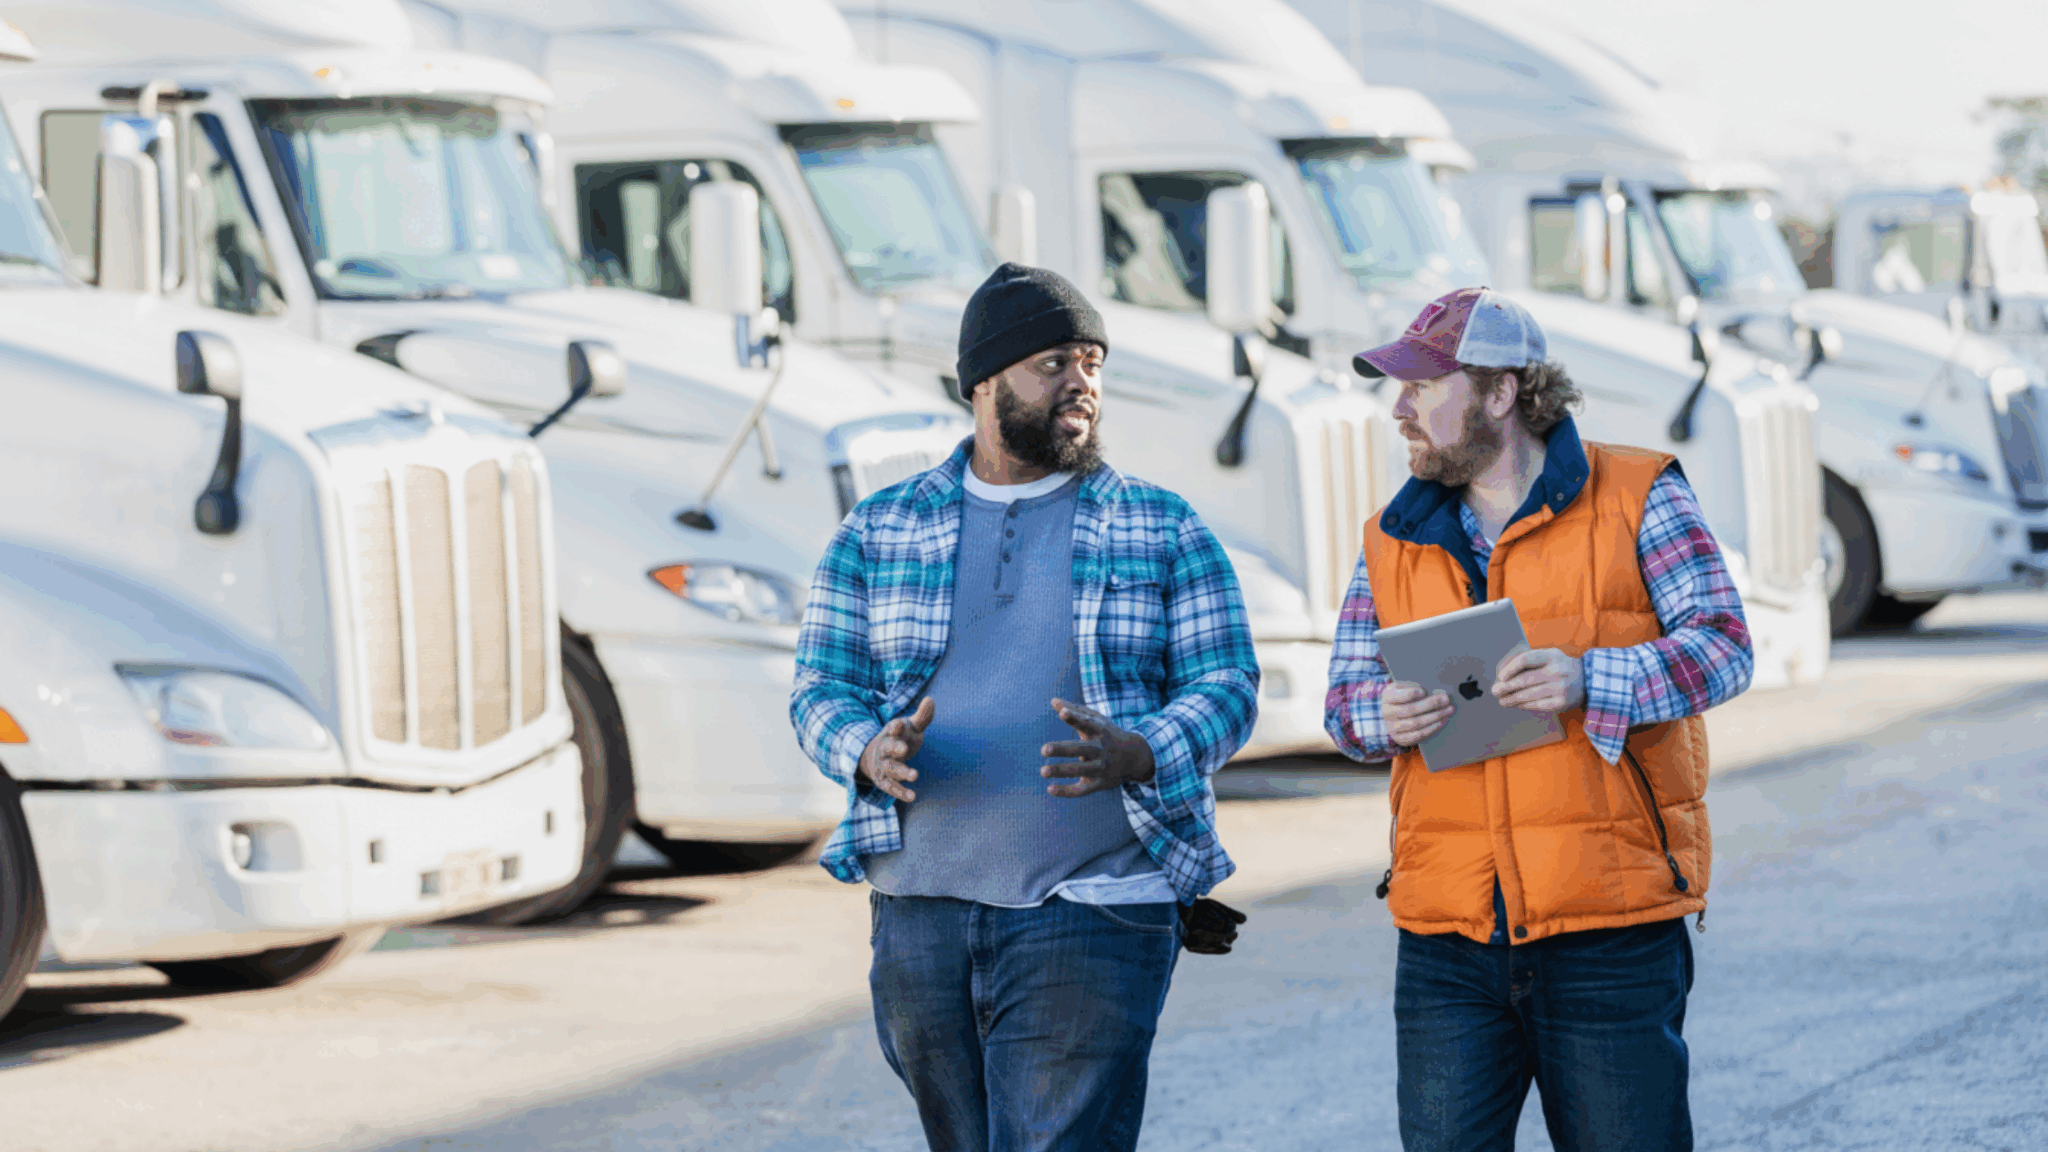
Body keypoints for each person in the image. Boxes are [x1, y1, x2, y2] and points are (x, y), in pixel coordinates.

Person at [790, 262, 1260, 1152]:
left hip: (1095, 904)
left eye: (1092, 363)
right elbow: (819, 688)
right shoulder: (879, 527)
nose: (1081, 383)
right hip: (918, 907)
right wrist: (864, 748)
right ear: (985, 382)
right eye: (1054, 363)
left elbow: (1228, 684)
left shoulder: (1163, 525)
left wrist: (1144, 749)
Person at [1324, 286, 1753, 1151]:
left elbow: (1726, 647)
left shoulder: (1638, 493)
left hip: (1610, 926)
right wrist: (1384, 712)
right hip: (1447, 937)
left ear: (1501, 391)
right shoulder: (1390, 536)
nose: (1399, 410)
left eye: (1423, 387)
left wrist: (1594, 679)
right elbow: (1342, 704)